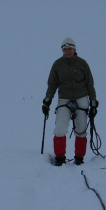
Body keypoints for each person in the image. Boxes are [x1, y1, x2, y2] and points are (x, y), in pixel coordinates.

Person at [42, 37, 98, 166]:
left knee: (81, 129)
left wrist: (93, 101)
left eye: (70, 49)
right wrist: (47, 100)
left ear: (74, 49)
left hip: (81, 98)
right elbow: (52, 84)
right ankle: (60, 157)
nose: (67, 51)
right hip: (64, 98)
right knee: (60, 129)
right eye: (65, 49)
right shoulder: (57, 64)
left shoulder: (82, 64)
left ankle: (79, 158)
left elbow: (90, 83)